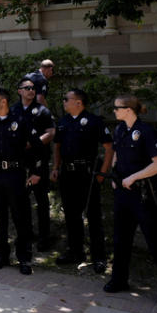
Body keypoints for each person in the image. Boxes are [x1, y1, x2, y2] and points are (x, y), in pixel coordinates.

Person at [106, 94, 157, 309]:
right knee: (120, 240)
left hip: (145, 195)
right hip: (123, 194)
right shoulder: (119, 130)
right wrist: (115, 176)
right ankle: (119, 279)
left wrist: (134, 177)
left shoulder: (146, 132)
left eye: (117, 107)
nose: (114, 111)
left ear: (128, 109)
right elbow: (117, 155)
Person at [51, 88, 112, 272]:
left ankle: (99, 257)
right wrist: (55, 167)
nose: (63, 102)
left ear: (78, 102)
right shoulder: (63, 121)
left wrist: (102, 174)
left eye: (66, 99)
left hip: (88, 174)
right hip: (68, 173)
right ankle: (75, 251)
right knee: (71, 215)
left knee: (93, 216)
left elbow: (109, 148)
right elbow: (57, 146)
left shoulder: (94, 121)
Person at [0, 89, 38, 274]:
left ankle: (24, 259)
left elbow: (36, 146)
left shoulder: (20, 121)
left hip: (15, 174)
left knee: (21, 218)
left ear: (3, 102)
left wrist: (35, 171)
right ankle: (1, 256)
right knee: (0, 218)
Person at [12, 78, 56, 251]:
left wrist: (33, 143)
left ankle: (45, 238)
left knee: (41, 200)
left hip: (38, 160)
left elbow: (51, 133)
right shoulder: (13, 110)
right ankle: (26, 234)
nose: (31, 90)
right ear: (19, 91)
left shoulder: (42, 110)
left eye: (34, 88)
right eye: (27, 88)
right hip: (19, 161)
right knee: (21, 201)